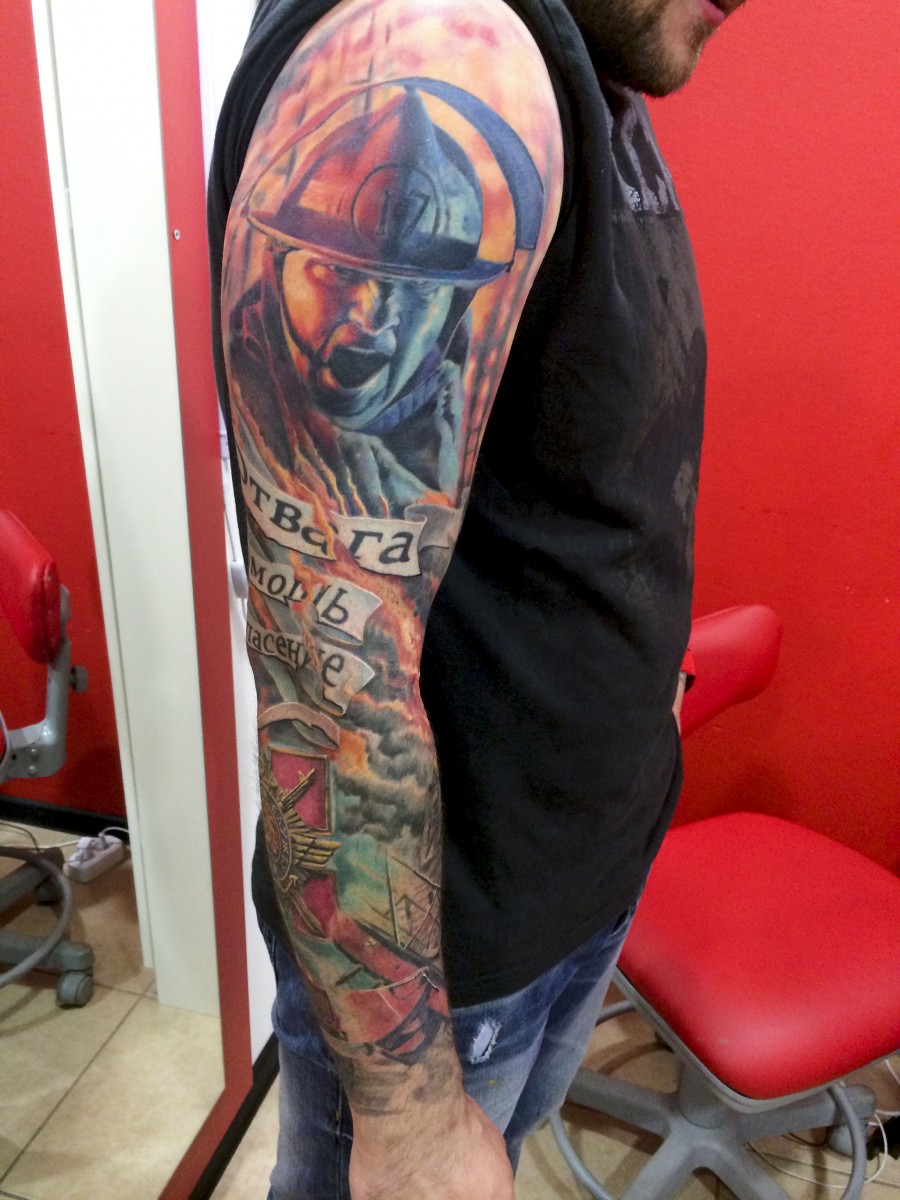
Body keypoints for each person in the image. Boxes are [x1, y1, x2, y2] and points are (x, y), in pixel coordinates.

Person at [207, 0, 746, 1195]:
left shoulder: (585, 59)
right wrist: (407, 1120)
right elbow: (326, 665)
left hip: (570, 873)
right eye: (335, 276)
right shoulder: (435, 50)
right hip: (443, 977)